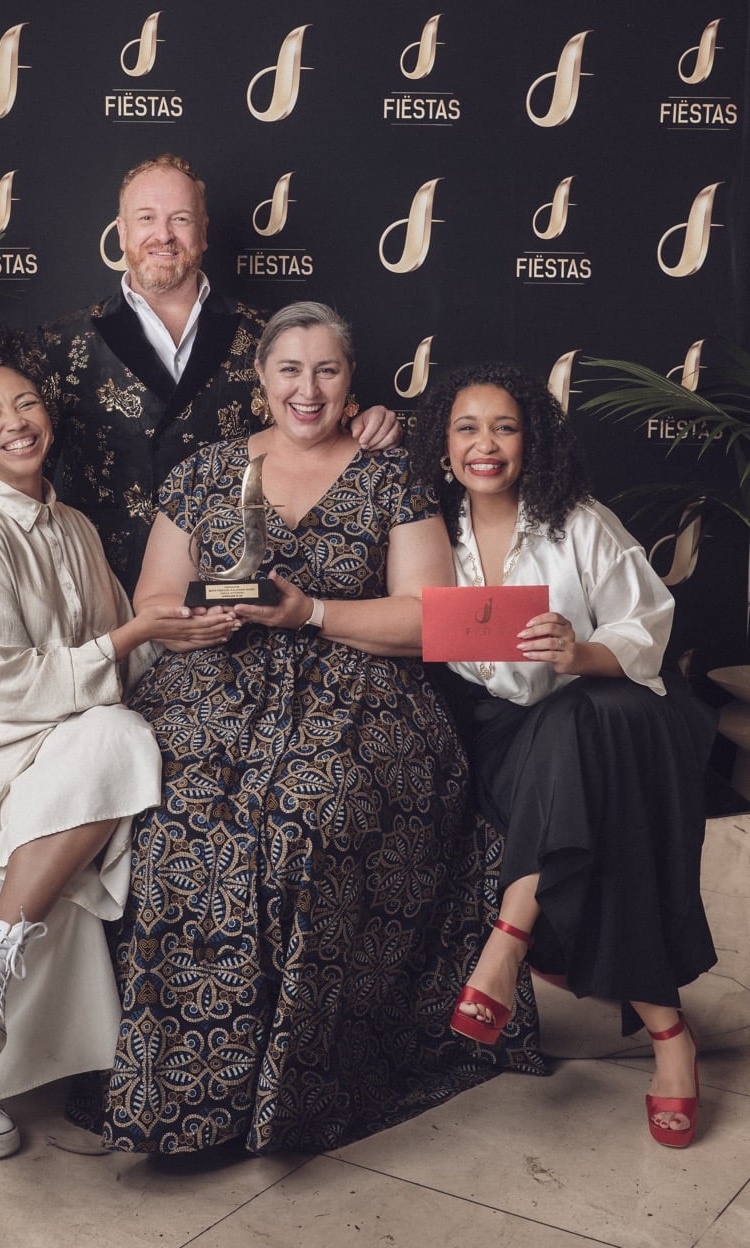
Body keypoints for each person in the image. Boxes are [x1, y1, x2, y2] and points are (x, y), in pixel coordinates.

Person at [70, 304, 546, 1156]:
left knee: (304, 815)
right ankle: (171, 1095)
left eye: (327, 370)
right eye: (289, 369)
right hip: (212, 683)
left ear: (350, 380)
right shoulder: (204, 471)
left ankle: (291, 1091)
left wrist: (311, 612)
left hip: (361, 690)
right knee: (178, 818)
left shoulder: (390, 475)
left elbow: (429, 619)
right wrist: (193, 623)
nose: (308, 388)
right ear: (261, 379)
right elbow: (153, 598)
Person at [0, 319, 223, 1161]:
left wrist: (195, 624)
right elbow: (2, 688)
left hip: (48, 749)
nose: (14, 423)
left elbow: (120, 655)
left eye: (24, 404)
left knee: (109, 750)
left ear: (47, 415)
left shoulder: (76, 528)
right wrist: (136, 636)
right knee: (113, 744)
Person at [411, 362, 718, 1149]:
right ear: (443, 444)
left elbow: (647, 625)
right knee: (595, 791)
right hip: (505, 735)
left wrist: (579, 652)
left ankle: (508, 940)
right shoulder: (429, 533)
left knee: (583, 718)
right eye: (467, 428)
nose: (485, 445)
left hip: (617, 714)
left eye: (505, 428)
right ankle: (670, 1036)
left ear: (532, 441)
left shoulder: (577, 522)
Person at [40, 154, 399, 596]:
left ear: (204, 232)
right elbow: (28, 469)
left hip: (232, 598)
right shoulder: (60, 343)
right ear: (122, 232)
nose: (163, 234)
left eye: (181, 218)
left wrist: (368, 423)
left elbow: (319, 426)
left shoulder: (266, 337)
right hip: (98, 587)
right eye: (147, 218)